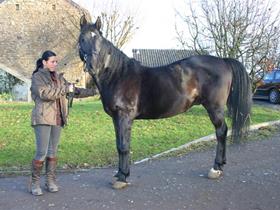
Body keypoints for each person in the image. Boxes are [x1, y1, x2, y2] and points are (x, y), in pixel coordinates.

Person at [29, 50, 95, 196]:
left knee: (53, 152)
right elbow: (45, 94)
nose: (55, 64)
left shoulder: (59, 78)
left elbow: (73, 91)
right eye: (52, 61)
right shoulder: (37, 77)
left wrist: (93, 91)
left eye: (56, 61)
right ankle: (34, 183)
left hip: (58, 118)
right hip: (43, 119)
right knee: (42, 152)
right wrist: (65, 88)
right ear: (44, 62)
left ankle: (50, 181)